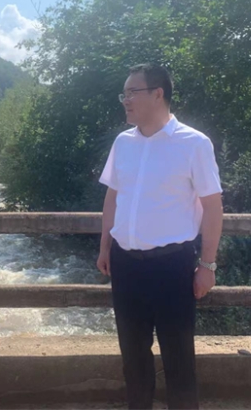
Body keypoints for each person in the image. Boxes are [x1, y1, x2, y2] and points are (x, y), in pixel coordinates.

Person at [96, 63, 224, 410]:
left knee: (179, 359)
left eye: (132, 92)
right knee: (133, 358)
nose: (125, 100)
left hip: (172, 266)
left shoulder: (194, 143)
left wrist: (208, 265)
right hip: (125, 264)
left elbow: (213, 207)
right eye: (124, 94)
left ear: (158, 94)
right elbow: (112, 198)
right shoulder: (123, 143)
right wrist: (105, 247)